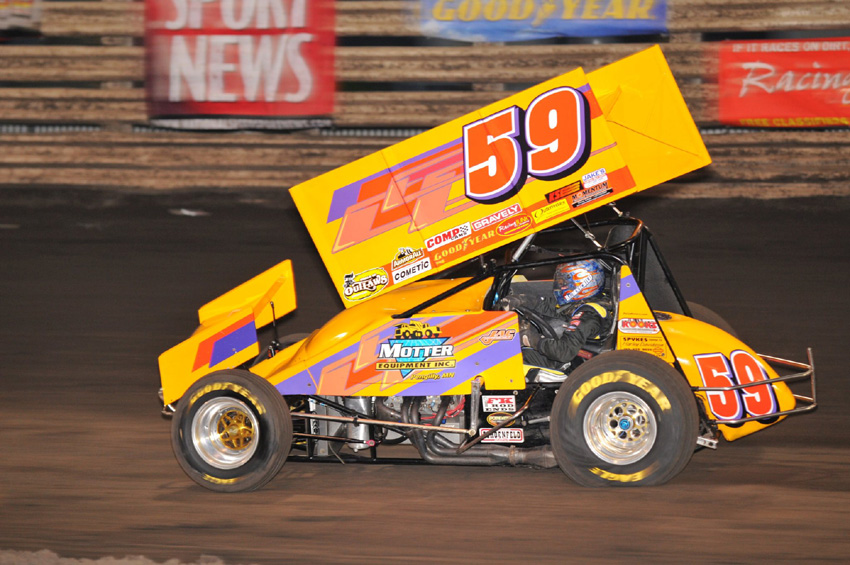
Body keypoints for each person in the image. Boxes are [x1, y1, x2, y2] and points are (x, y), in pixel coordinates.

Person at [500, 259, 612, 371]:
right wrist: (522, 300)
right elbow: (553, 308)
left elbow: (564, 352)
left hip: (575, 368)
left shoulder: (589, 315)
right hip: (569, 360)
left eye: (564, 284)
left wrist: (531, 339)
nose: (561, 287)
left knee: (511, 360)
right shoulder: (582, 304)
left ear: (583, 284)